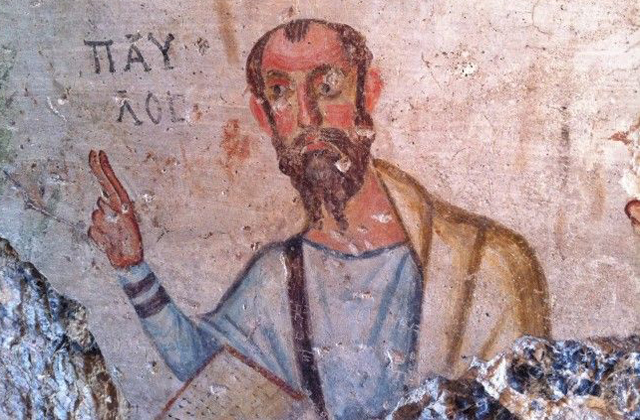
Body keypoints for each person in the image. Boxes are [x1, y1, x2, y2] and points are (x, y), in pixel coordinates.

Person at [88, 19, 551, 419]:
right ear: (265, 116)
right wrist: (132, 270)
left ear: (368, 93)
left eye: (327, 86)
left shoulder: (486, 264)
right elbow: (214, 372)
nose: (308, 116)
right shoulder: (279, 274)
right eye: (281, 93)